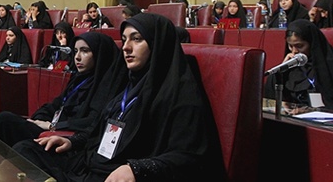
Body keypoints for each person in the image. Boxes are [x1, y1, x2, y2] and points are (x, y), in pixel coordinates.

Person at [14, 13, 225, 182]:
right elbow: (101, 130)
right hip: (91, 164)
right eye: (124, 40)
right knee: (25, 150)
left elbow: (190, 157)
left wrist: (137, 169)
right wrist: (72, 142)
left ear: (156, 45)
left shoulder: (180, 97)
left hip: (116, 174)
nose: (126, 47)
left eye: (137, 39)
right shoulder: (129, 85)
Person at [0, 32, 126, 147]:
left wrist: (53, 126)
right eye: (76, 51)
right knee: (3, 120)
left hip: (70, 137)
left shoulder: (107, 84)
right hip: (53, 128)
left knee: (15, 137)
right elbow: (57, 104)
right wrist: (37, 119)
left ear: (99, 54)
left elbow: (93, 121)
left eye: (85, 51)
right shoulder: (79, 78)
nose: (77, 57)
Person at [265, 19, 333, 112]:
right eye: (290, 46)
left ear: (312, 44)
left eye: (299, 46)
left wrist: (311, 110)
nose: (294, 51)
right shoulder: (291, 65)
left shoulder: (328, 65)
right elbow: (270, 97)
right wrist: (283, 68)